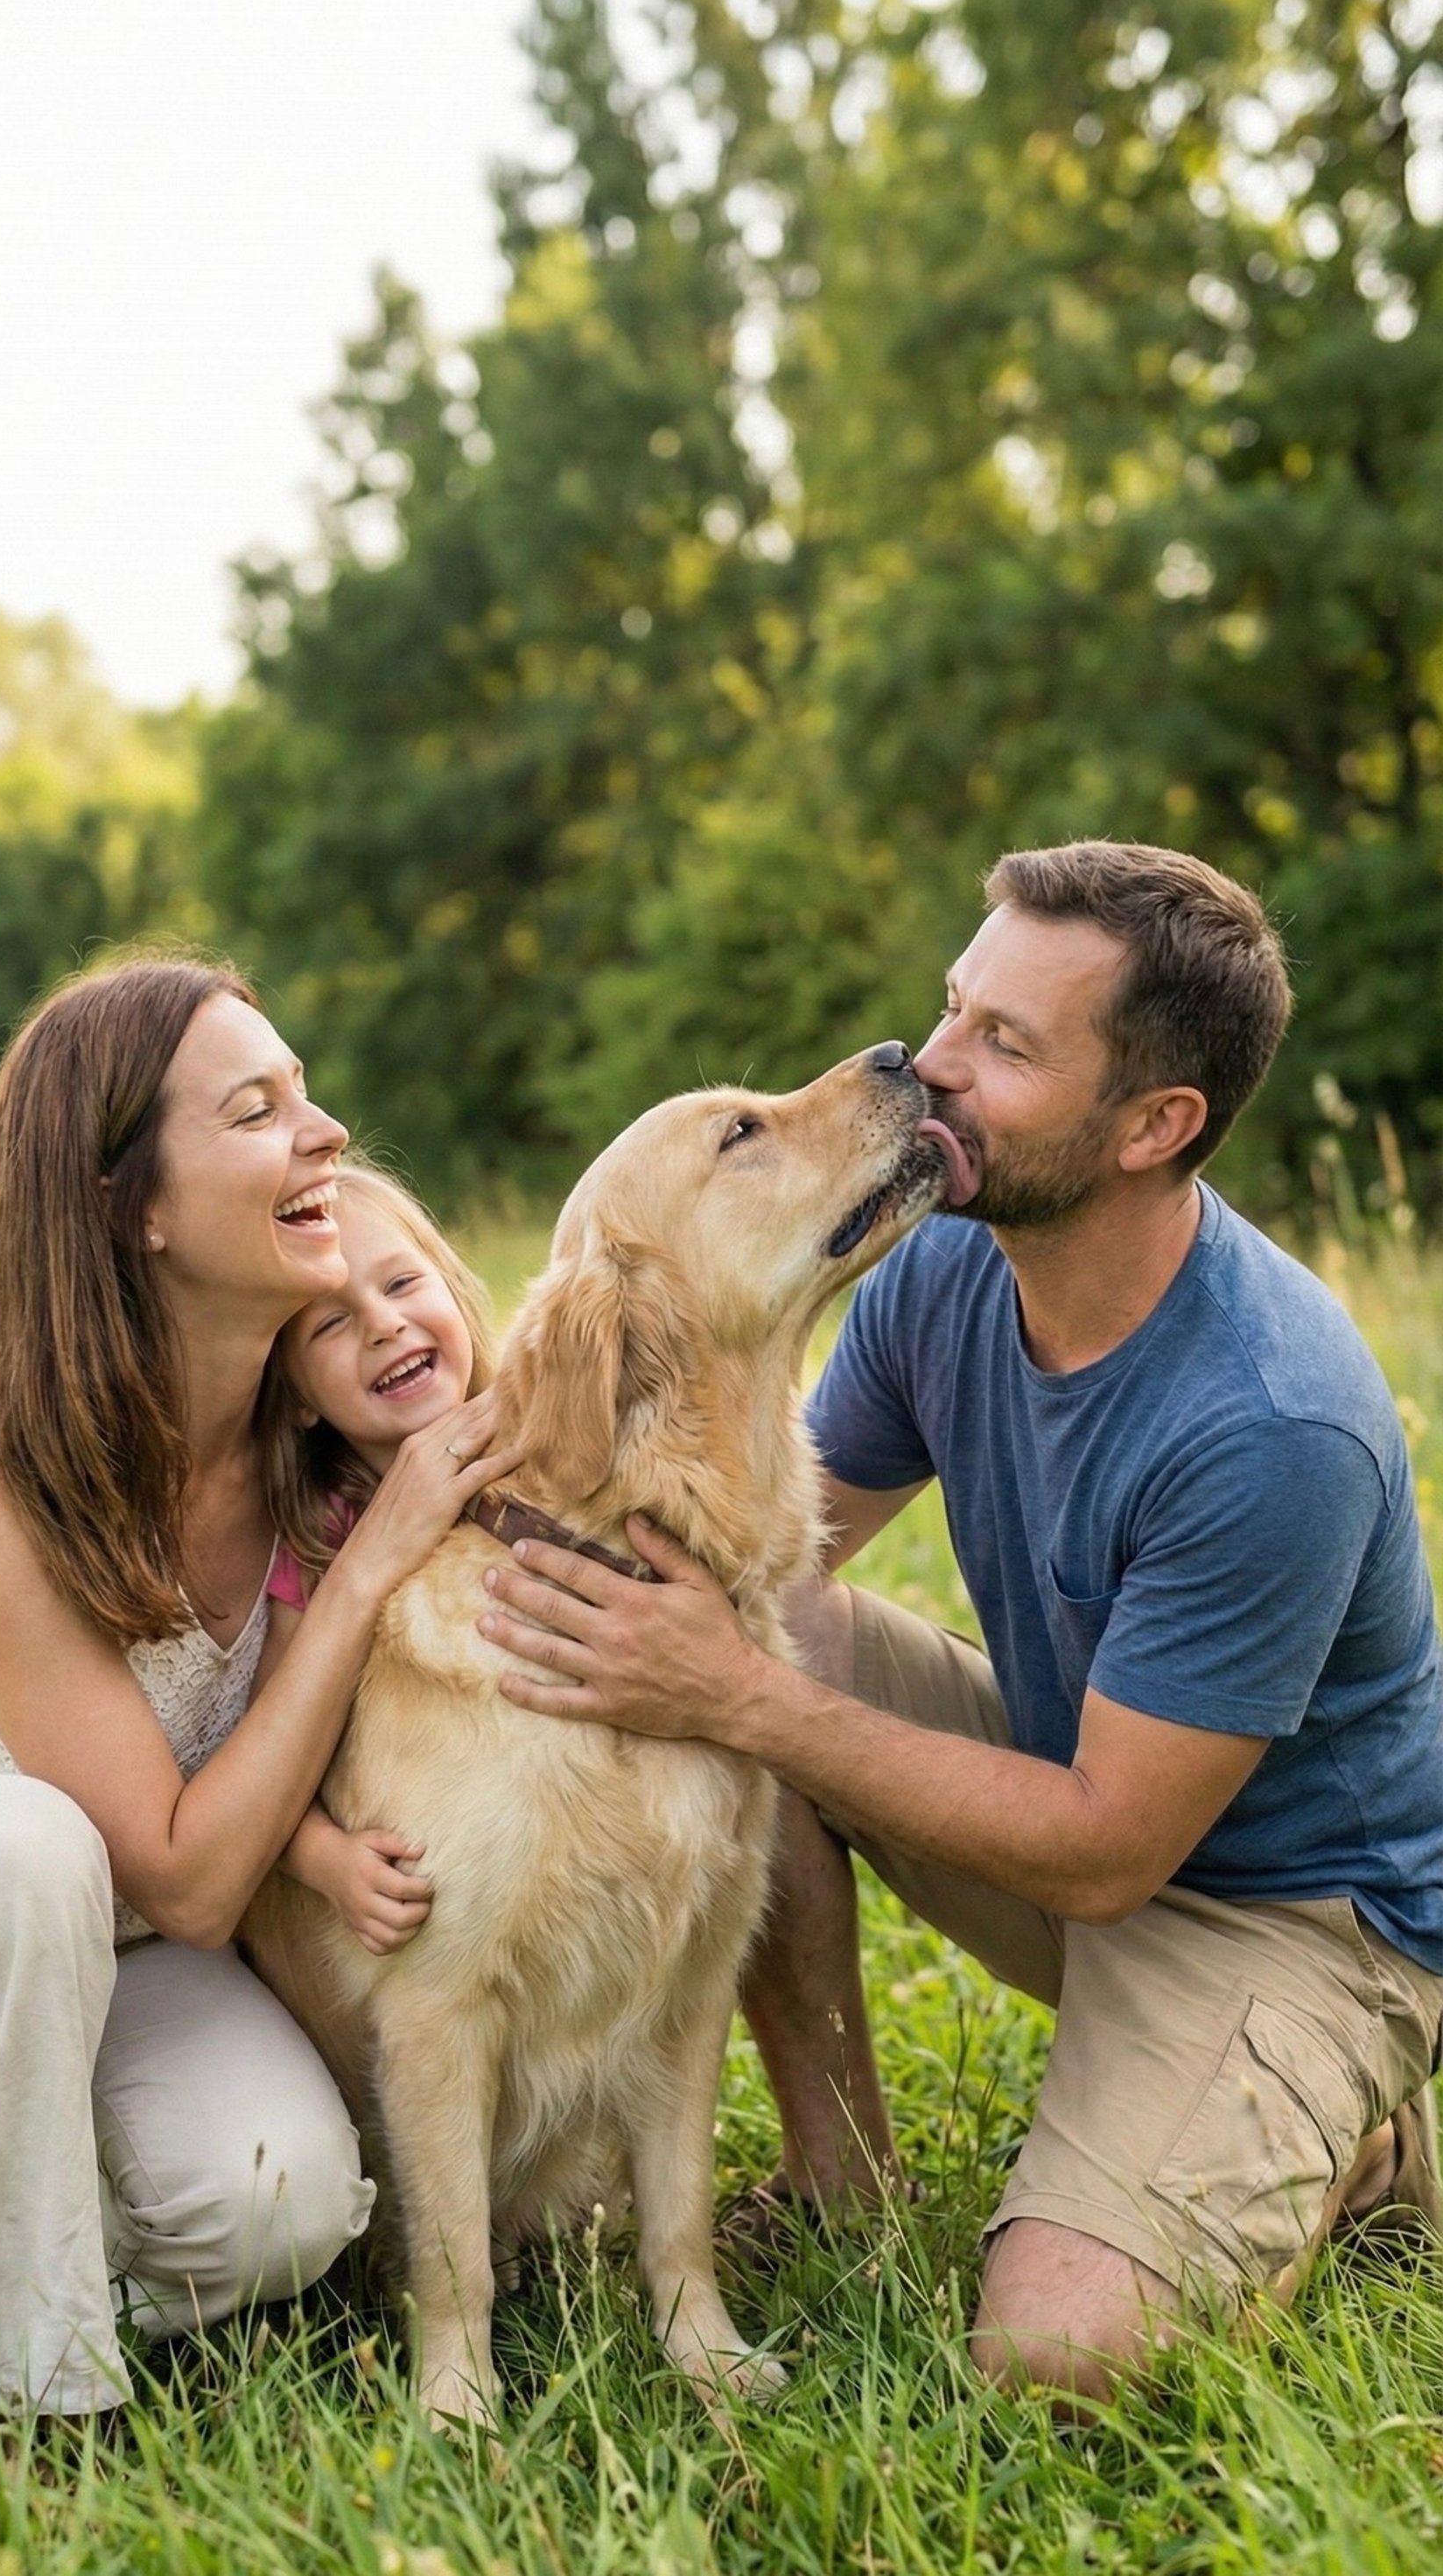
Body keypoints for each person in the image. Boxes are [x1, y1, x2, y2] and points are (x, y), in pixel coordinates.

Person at [476, 840, 1443, 2399]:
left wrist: (743, 1696)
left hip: (1290, 1912)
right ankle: (839, 2178)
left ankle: (1347, 2126)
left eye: (1006, 1044)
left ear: (1154, 1124)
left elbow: (1110, 1852)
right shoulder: (944, 1267)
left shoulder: (1274, 1421)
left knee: (1057, 2353)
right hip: (1081, 1796)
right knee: (768, 1638)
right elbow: (750, 1567)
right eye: (954, 1006)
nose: (933, 1065)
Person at [0, 957, 516, 2432]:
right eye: (257, 1111)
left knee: (283, 2205)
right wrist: (369, 1574)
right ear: (135, 1209)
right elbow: (186, 1877)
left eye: (307, 1094)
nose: (326, 1133)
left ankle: (13, 2232)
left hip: (118, 1959)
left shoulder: (310, 1452)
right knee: (24, 1840)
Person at [254, 1161, 496, 1956]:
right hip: (438, 1889)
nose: (384, 1324)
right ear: (297, 1397)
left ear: (453, 1290)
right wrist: (326, 1860)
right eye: (331, 1323)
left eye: (402, 1283)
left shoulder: (545, 1455)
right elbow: (266, 1750)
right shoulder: (323, 1539)